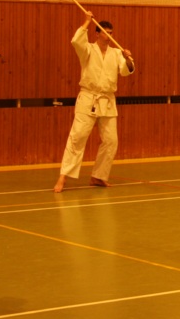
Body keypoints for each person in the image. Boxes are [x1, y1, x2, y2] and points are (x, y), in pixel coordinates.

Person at [53, 12, 135, 192]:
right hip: (88, 98)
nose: (109, 36)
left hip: (107, 100)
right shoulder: (88, 50)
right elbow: (76, 41)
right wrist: (87, 22)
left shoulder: (116, 53)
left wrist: (127, 58)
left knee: (111, 141)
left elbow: (126, 71)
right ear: (97, 33)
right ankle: (63, 177)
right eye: (105, 32)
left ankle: (99, 176)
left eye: (111, 33)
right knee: (77, 137)